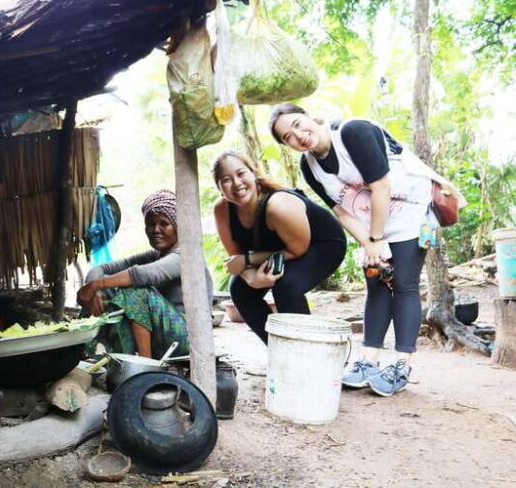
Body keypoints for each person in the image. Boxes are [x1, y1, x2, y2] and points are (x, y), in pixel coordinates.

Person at [269, 102, 448, 396]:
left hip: (410, 210)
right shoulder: (309, 167)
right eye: (288, 136)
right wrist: (368, 244)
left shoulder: (353, 132)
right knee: (375, 284)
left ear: (311, 116)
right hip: (370, 220)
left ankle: (402, 365)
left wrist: (376, 239)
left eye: (298, 124)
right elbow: (341, 212)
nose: (298, 135)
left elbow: (381, 187)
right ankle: (369, 361)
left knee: (404, 285)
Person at [211, 151, 346, 345]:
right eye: (226, 179)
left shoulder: (278, 206)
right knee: (240, 289)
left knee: (287, 286)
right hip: (278, 249)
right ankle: (280, 350)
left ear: (253, 173)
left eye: (241, 174)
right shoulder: (222, 209)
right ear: (219, 188)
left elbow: (297, 250)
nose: (237, 183)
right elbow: (236, 259)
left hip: (321, 245)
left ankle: (307, 350)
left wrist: (249, 261)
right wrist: (252, 278)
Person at [76, 189, 213, 360]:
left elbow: (143, 275)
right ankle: (88, 352)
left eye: (164, 224)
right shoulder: (155, 255)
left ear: (178, 226)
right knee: (108, 293)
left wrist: (96, 285)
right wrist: (95, 291)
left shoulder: (187, 254)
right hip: (163, 336)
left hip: (190, 337)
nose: (156, 230)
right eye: (151, 224)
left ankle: (145, 365)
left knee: (136, 292)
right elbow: (101, 269)